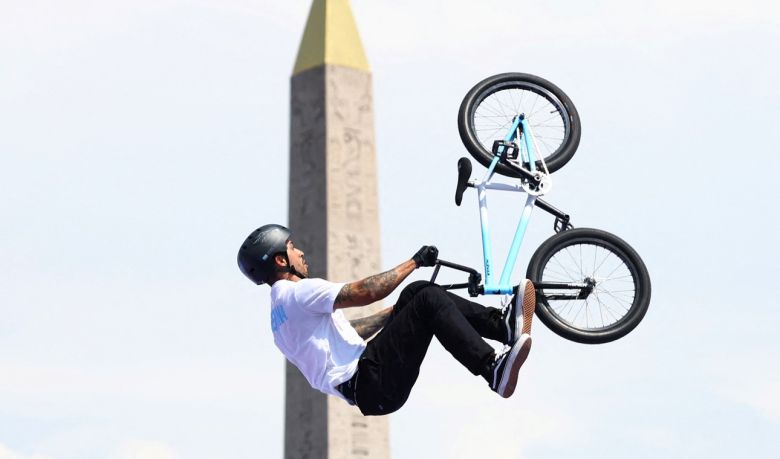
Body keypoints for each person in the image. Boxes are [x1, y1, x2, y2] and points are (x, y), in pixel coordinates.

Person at [237, 224, 536, 416]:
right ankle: (492, 369)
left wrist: (397, 313)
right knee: (427, 299)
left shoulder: (278, 320)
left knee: (416, 294)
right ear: (280, 260)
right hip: (370, 379)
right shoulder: (299, 292)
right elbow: (365, 291)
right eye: (292, 248)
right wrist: (414, 262)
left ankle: (503, 325)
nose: (300, 252)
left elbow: (347, 333)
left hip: (368, 385)